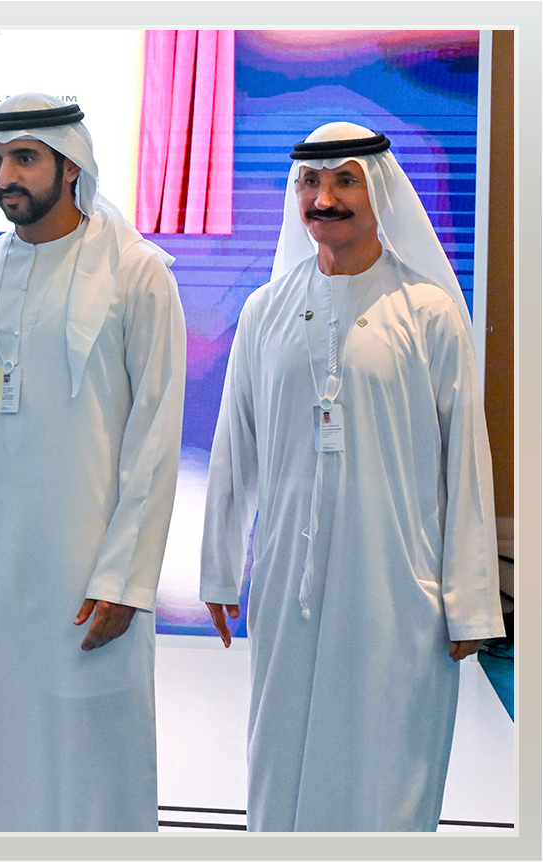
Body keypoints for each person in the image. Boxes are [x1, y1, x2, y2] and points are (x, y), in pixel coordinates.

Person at [199, 122, 503, 831]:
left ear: (381, 192)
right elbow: (233, 446)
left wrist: (470, 601)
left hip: (396, 586)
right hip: (289, 582)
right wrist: (219, 569)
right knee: (282, 756)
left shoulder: (429, 312)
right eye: (309, 182)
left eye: (345, 181)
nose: (324, 199)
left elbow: (466, 460)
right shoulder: (265, 310)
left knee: (386, 763)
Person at [0, 94, 187, 831]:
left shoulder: (137, 273)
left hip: (85, 566)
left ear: (71, 166)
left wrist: (126, 577)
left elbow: (156, 436)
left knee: (93, 747)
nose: (6, 175)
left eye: (25, 158)